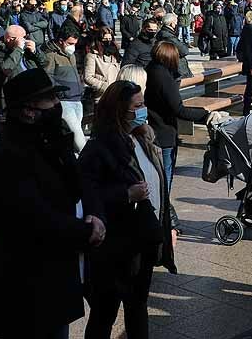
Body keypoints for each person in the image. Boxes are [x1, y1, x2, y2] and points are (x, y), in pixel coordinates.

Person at [0, 68, 106, 339]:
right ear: (28, 111)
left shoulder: (49, 142)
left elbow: (79, 182)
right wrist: (85, 232)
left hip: (54, 276)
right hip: (24, 283)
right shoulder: (7, 156)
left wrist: (95, 213)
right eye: (49, 100)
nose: (57, 106)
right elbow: (32, 218)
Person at [79, 81, 178, 339]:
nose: (144, 110)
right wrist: (125, 195)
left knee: (137, 307)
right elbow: (86, 194)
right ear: (120, 110)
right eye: (138, 105)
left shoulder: (142, 139)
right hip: (114, 246)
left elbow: (157, 186)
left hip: (142, 241)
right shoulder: (99, 147)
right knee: (105, 312)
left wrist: (171, 223)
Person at [145, 41, 212, 186]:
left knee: (158, 176)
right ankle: (164, 206)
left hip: (154, 129)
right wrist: (205, 114)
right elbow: (179, 109)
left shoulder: (150, 69)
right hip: (164, 133)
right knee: (165, 176)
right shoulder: (163, 77)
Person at [0, 24, 45, 121]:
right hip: (8, 103)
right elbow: (6, 69)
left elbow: (45, 64)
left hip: (30, 99)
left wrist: (35, 52)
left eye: (25, 37)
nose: (24, 41)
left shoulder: (27, 52)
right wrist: (18, 49)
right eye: (21, 39)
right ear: (9, 39)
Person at [42, 27, 87, 151]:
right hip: (64, 101)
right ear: (61, 41)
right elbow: (47, 77)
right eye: (70, 43)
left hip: (77, 99)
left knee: (74, 136)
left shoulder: (71, 55)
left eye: (74, 44)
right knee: (79, 140)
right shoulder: (51, 56)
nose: (72, 47)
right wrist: (61, 91)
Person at [84, 26, 122, 97]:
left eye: (110, 39)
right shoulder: (92, 55)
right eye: (105, 39)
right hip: (101, 95)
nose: (108, 41)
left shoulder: (114, 54)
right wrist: (103, 86)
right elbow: (88, 77)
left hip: (115, 94)